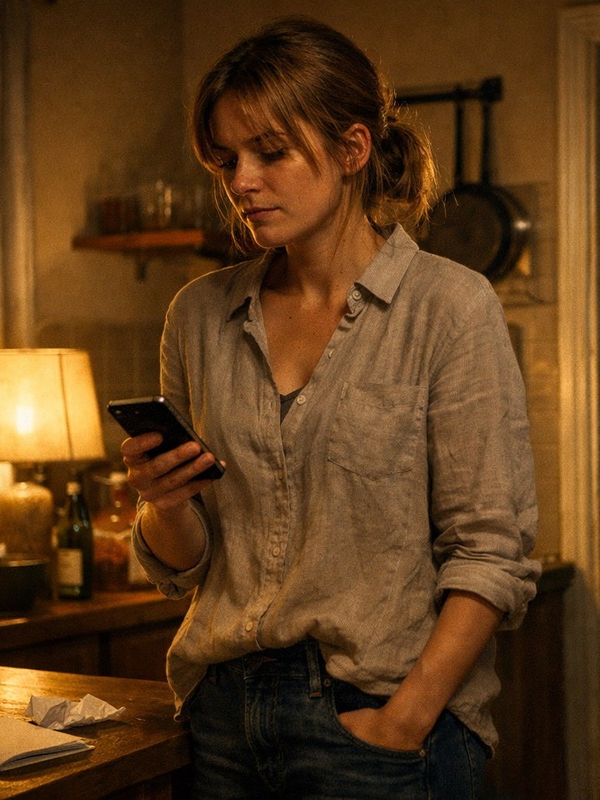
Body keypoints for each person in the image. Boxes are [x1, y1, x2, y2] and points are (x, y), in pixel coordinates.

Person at [119, 16, 540, 800]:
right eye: (226, 159)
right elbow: (186, 566)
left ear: (352, 149)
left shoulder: (448, 306)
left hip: (377, 711)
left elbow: (492, 551)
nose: (242, 181)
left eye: (270, 152)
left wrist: (405, 720)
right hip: (222, 716)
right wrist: (163, 501)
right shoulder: (199, 314)